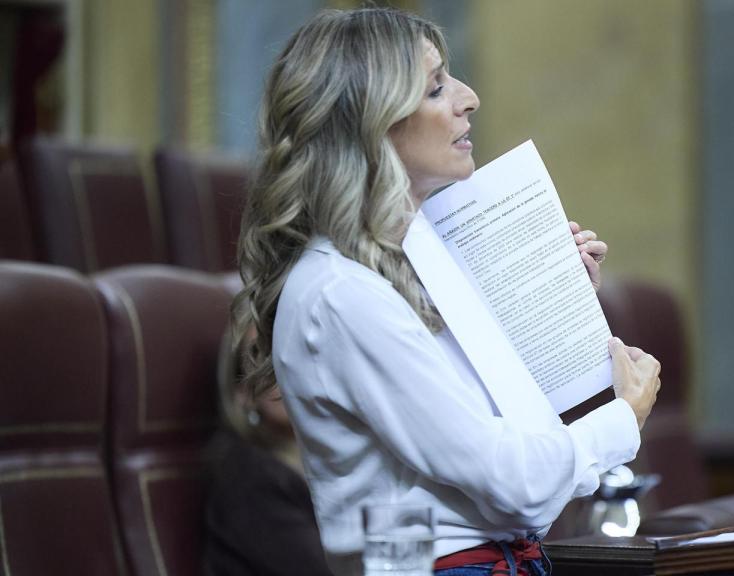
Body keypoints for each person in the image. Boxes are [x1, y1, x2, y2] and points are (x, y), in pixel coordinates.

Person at [232, 7, 661, 576]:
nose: (468, 97)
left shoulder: (405, 266)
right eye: (436, 87)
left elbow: (510, 470)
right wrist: (622, 419)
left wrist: (554, 309)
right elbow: (513, 485)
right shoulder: (340, 292)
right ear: (372, 121)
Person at [203, 331, 333, 576]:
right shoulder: (249, 480)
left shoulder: (329, 459)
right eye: (266, 357)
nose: (289, 365)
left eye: (299, 349)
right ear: (243, 392)